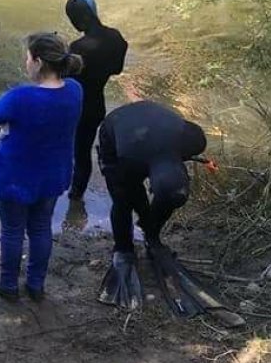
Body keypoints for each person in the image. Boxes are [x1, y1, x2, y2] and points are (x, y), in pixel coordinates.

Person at [95, 101, 226, 320]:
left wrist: (151, 227)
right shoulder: (131, 157)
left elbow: (179, 158)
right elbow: (126, 192)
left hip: (150, 130)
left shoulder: (184, 137)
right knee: (123, 198)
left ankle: (151, 233)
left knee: (169, 192)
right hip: (116, 133)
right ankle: (123, 249)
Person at [0, 32, 84, 301]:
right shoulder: (75, 90)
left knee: (13, 230)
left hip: (15, 177)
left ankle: (8, 284)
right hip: (53, 174)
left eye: (27, 58)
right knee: (41, 228)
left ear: (38, 62)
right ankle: (36, 284)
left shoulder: (21, 97)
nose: (26, 63)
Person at [65, 0, 128, 201]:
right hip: (97, 105)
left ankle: (73, 197)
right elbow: (117, 69)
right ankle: (80, 195)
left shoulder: (77, 48)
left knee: (77, 152)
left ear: (79, 19)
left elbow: (66, 77)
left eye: (73, 19)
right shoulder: (117, 38)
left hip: (78, 107)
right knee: (86, 152)